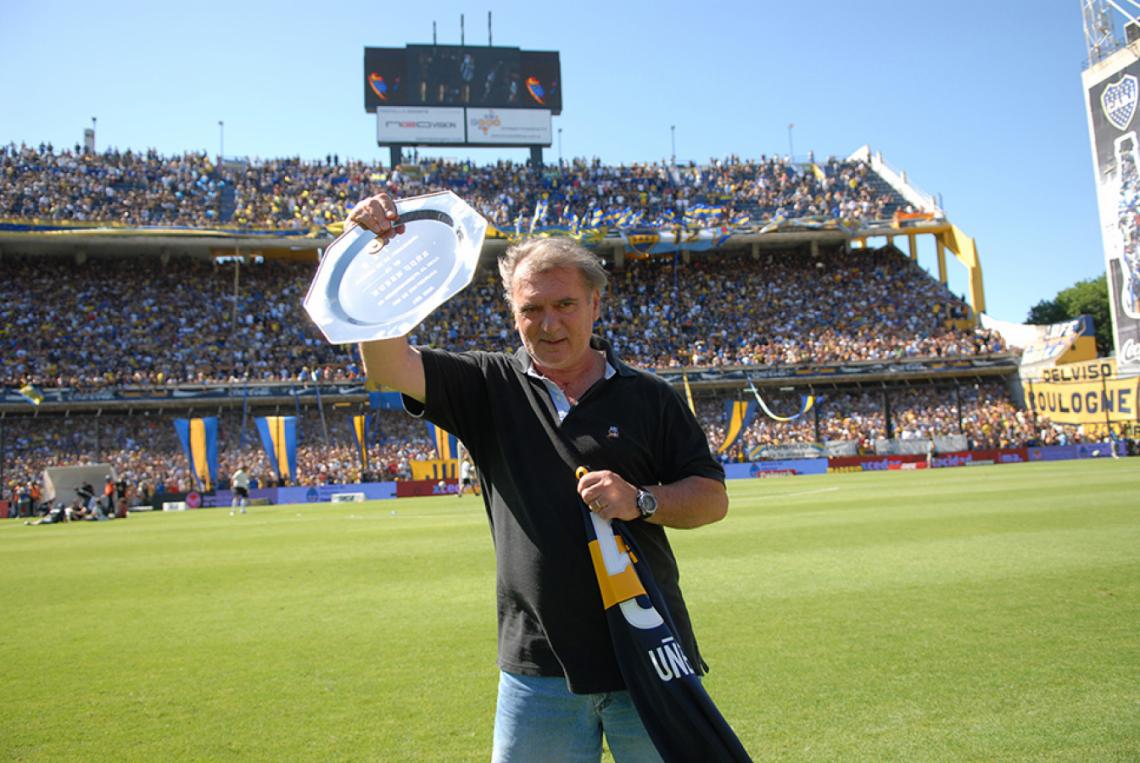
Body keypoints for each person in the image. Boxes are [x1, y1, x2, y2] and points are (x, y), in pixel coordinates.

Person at [350, 192, 729, 762]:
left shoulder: (648, 396)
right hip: (537, 669)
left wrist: (640, 499)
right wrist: (377, 259)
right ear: (513, 312)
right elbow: (386, 366)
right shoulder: (487, 384)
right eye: (531, 310)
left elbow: (712, 499)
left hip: (648, 650)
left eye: (565, 305)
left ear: (595, 305)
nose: (548, 324)